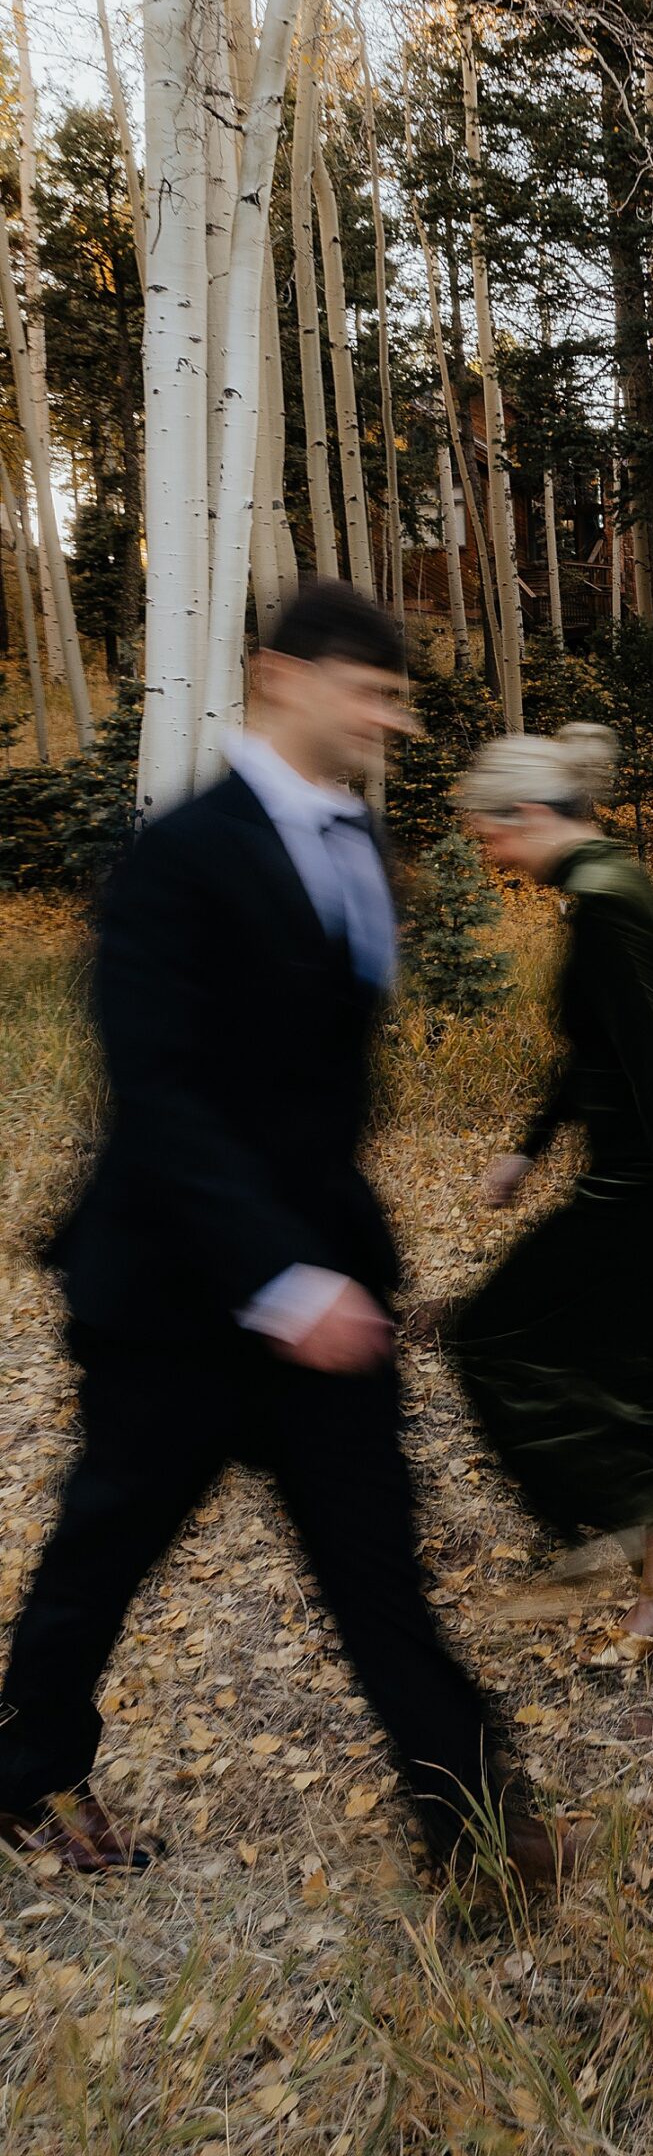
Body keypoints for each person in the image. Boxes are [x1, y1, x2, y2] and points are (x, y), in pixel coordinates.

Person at [0, 584, 567, 1886]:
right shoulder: (176, 854)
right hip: (170, 1293)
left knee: (376, 1565)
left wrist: (342, 1262)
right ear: (275, 677)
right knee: (105, 1550)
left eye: (390, 698)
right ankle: (22, 1771)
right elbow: (158, 1091)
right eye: (361, 691)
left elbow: (326, 1086)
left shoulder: (358, 842)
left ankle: (476, 1829)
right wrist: (273, 1271)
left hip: (329, 1296)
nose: (381, 719)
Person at [445, 726, 653, 1666]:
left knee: (491, 1335)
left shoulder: (606, 901)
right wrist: (527, 1152)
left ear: (530, 815)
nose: (490, 855)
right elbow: (597, 1048)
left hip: (637, 1188)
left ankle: (595, 1521)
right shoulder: (608, 884)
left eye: (491, 837)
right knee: (637, 1374)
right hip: (641, 1181)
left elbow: (652, 1065)